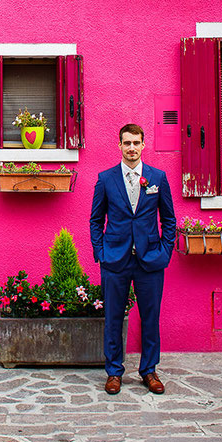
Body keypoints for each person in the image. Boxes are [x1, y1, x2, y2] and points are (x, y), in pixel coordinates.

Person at [90, 123, 176, 395]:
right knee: (113, 318)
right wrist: (101, 253)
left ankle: (149, 370)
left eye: (135, 143)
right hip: (115, 260)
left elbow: (169, 220)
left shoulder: (157, 178)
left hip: (150, 260)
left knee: (151, 318)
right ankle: (114, 372)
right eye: (126, 143)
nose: (131, 148)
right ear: (119, 145)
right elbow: (95, 220)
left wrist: (164, 251)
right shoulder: (106, 179)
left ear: (143, 144)